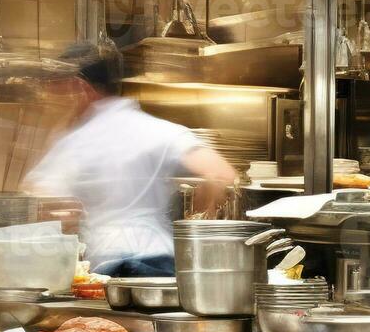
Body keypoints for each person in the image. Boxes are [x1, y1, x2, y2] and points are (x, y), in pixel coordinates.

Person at [21, 41, 235, 277]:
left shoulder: (76, 142)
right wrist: (197, 225)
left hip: (112, 266)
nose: (54, 97)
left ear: (79, 87)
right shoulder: (156, 128)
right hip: (162, 262)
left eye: (58, 88)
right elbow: (221, 174)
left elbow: (41, 203)